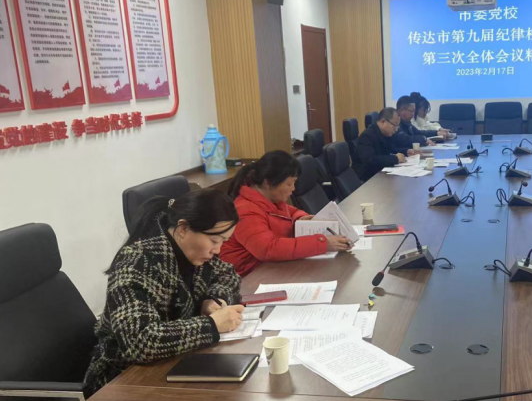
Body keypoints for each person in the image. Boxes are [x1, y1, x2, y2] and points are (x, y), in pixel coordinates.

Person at [84, 190, 246, 395]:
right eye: (214, 241)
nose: (218, 250)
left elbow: (228, 276)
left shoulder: (191, 250)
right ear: (183, 229)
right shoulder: (136, 262)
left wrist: (213, 299)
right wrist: (211, 325)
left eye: (223, 241)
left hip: (175, 363)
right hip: (123, 381)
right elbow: (140, 342)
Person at [220, 151, 351, 276]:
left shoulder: (270, 199)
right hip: (247, 276)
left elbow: (290, 212)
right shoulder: (245, 210)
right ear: (267, 182)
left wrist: (301, 218)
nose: (293, 189)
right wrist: (322, 243)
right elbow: (268, 249)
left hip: (271, 268)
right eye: (289, 184)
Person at [353, 107, 416, 181]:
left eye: (398, 126)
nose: (396, 129)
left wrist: (406, 151)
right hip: (366, 179)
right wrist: (395, 159)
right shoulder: (367, 136)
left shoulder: (385, 133)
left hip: (379, 173)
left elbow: (391, 149)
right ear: (383, 122)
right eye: (394, 125)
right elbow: (370, 160)